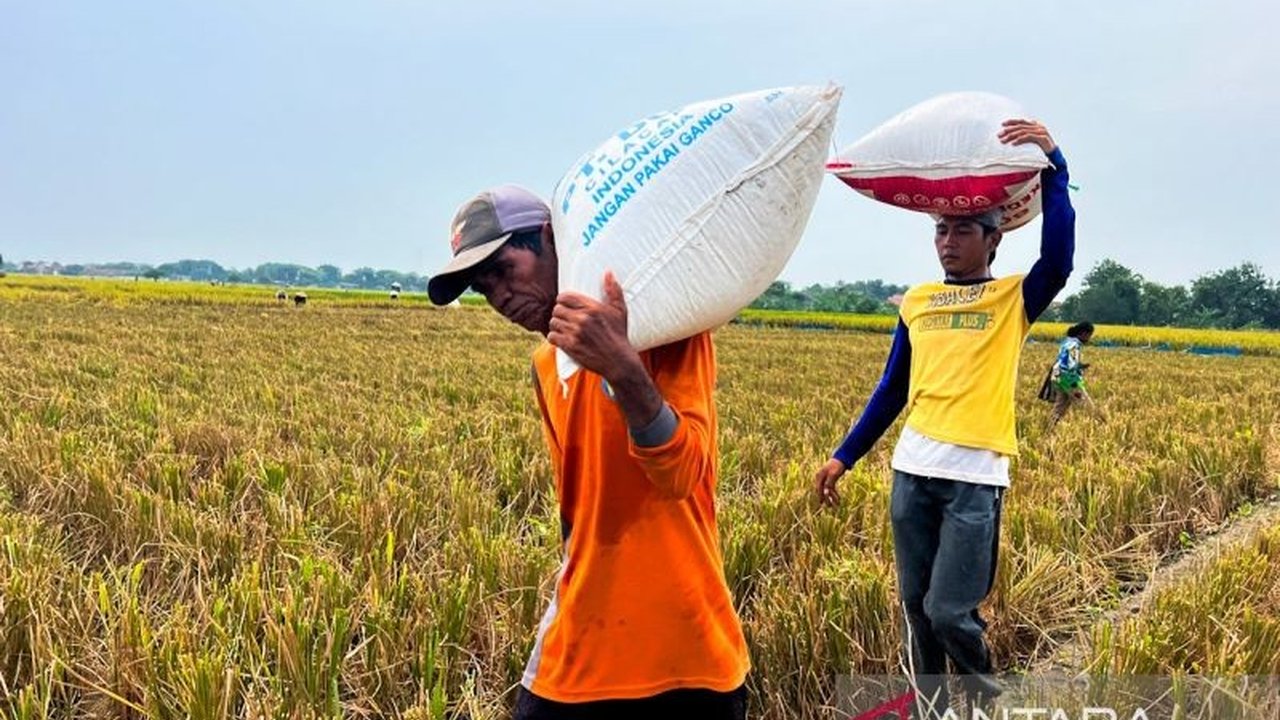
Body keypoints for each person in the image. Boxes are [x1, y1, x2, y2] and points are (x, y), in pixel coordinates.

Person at [427, 185, 749, 719]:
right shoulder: (546, 366)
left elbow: (681, 474)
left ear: (551, 239)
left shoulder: (662, 326)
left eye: (505, 270)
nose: (501, 297)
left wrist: (622, 367)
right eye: (484, 289)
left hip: (687, 647)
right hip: (583, 637)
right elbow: (575, 513)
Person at [813, 120, 1075, 711]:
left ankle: (983, 698)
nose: (948, 241)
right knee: (916, 609)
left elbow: (1059, 258)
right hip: (912, 473)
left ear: (993, 239)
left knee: (950, 611)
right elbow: (891, 389)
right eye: (941, 229)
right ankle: (932, 708)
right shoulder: (918, 302)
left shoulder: (1012, 299)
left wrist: (1056, 164)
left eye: (962, 230)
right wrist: (843, 456)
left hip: (974, 479)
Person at [1047, 321, 1100, 427]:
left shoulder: (1066, 341)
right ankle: (1098, 425)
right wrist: (1080, 367)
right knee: (1087, 405)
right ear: (1084, 333)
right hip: (1068, 379)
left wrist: (1080, 365)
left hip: (1057, 376)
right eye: (1089, 335)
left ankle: (1050, 428)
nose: (1089, 339)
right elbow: (1071, 365)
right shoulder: (1074, 345)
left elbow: (1064, 360)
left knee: (1060, 406)